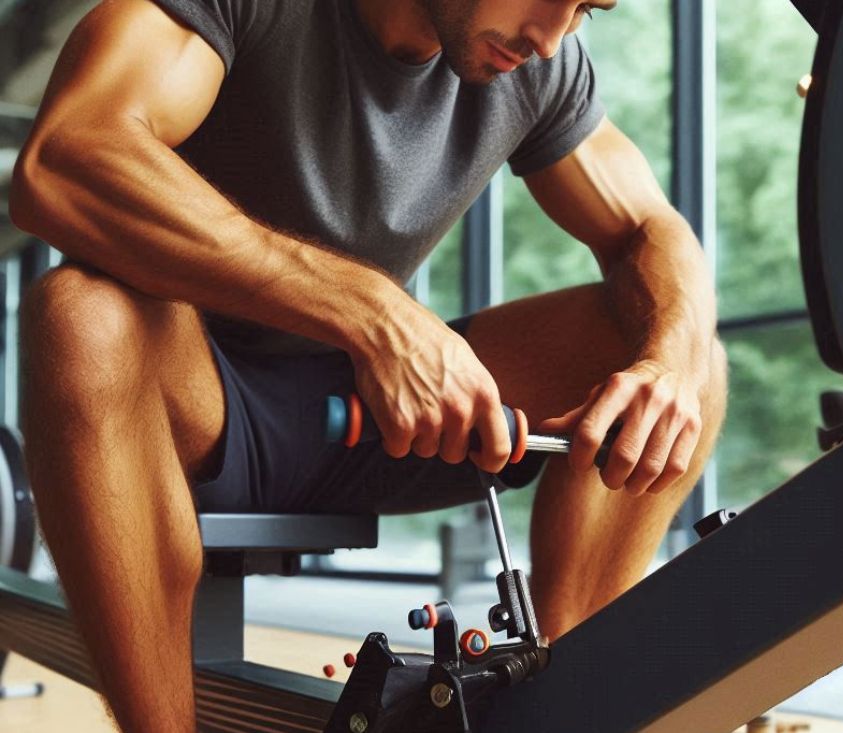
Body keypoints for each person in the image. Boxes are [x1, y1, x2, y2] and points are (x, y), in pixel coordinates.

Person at [8, 0, 727, 730]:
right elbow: (70, 155)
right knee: (79, 314)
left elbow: (650, 228)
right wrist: (371, 315)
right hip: (198, 402)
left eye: (587, 9)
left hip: (377, 417)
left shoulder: (534, 61)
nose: (552, 36)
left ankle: (567, 706)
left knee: (678, 352)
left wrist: (669, 362)